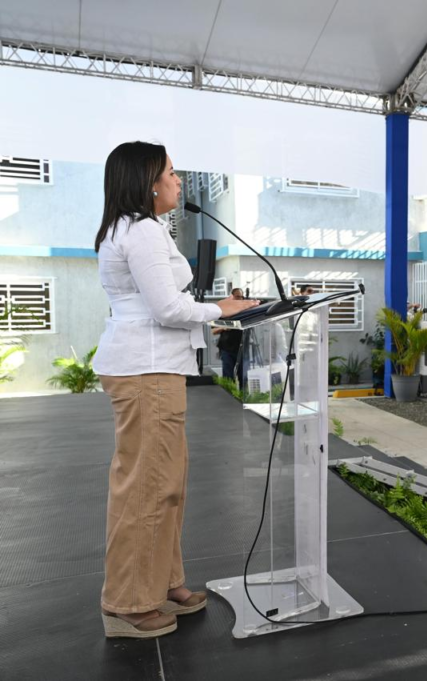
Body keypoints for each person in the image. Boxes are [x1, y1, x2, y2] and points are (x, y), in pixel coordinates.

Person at [92, 142, 260, 638]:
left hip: (152, 368)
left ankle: (162, 583)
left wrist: (214, 310)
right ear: (148, 183)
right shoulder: (141, 230)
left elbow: (163, 299)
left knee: (164, 485)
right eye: (170, 172)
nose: (179, 180)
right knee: (147, 488)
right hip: (147, 370)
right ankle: (128, 603)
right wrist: (221, 310)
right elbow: (167, 308)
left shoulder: (134, 227)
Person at [211, 288, 245, 384]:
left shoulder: (245, 310)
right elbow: (213, 331)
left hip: (242, 348)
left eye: (241, 297)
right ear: (232, 297)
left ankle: (241, 393)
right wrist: (224, 328)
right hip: (227, 349)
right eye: (237, 297)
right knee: (228, 377)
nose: (240, 299)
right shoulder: (223, 311)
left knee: (243, 377)